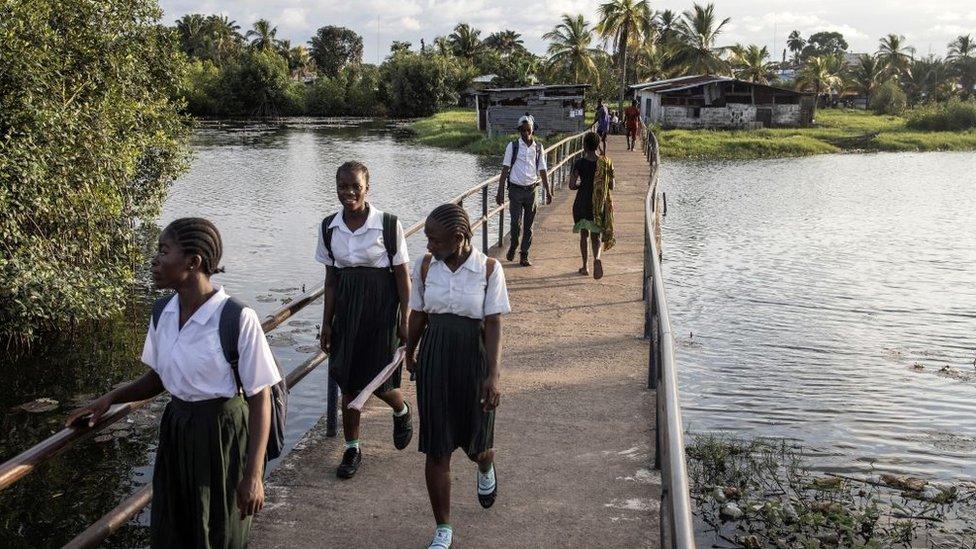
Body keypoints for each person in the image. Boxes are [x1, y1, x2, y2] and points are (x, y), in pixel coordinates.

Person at [66, 218, 281, 548]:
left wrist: (253, 475)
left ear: (193, 262)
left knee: (217, 533)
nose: (155, 261)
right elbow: (157, 378)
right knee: (173, 529)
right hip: (177, 430)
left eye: (164, 251)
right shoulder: (162, 312)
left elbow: (260, 397)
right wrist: (110, 398)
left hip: (222, 436)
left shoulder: (236, 318)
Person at [405, 203, 510, 549]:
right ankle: (443, 528)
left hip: (473, 361)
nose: (429, 246)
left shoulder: (489, 270)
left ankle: (485, 465)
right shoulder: (424, 268)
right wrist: (410, 350)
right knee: (437, 447)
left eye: (435, 240)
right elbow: (418, 313)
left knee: (477, 444)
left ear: (459, 237)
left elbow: (493, 323)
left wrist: (493, 375)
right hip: (435, 359)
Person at [316, 161, 413, 479]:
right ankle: (352, 448)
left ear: (367, 187)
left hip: (381, 313)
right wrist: (326, 322)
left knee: (382, 380)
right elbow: (331, 281)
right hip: (346, 313)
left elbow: (402, 276)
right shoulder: (329, 227)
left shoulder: (387, 224)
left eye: (355, 186)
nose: (348, 192)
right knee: (347, 381)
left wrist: (405, 319)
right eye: (342, 186)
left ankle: (401, 409)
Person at [495, 115, 551, 267]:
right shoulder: (512, 146)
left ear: (533, 130)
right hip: (515, 190)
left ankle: (524, 255)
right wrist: (500, 191)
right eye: (523, 130)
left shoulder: (538, 148)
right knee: (515, 223)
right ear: (519, 131)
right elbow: (505, 169)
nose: (526, 133)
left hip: (532, 190)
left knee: (529, 225)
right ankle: (514, 245)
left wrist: (548, 189)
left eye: (529, 130)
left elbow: (542, 169)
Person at [569, 132, 616, 279]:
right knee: (596, 235)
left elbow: (571, 185)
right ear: (598, 146)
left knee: (584, 235)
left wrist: (581, 185)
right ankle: (597, 259)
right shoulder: (606, 162)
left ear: (584, 146)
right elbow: (612, 185)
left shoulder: (579, 163)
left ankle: (585, 267)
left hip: (582, 203)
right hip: (598, 205)